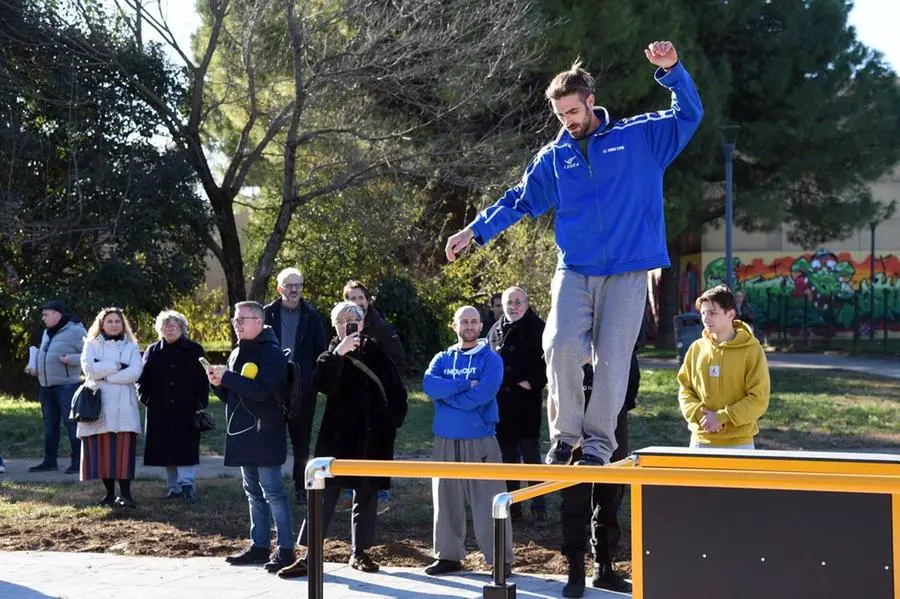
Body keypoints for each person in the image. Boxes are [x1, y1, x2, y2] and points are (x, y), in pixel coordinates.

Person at [444, 42, 703, 467]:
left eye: (573, 112)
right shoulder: (555, 157)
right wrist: (475, 230)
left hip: (627, 270)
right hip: (575, 269)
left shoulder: (638, 138)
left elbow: (687, 115)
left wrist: (672, 70)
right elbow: (519, 201)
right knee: (559, 344)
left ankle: (598, 447)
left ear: (590, 102)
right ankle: (565, 438)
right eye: (560, 115)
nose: (568, 122)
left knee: (613, 358)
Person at [278, 301, 408, 578]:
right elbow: (322, 385)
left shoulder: (378, 353)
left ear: (361, 324)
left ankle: (360, 552)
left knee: (367, 495)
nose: (348, 324)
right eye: (341, 320)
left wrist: (391, 422)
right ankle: (310, 555)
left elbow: (397, 391)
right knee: (323, 496)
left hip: (374, 437)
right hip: (337, 438)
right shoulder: (329, 355)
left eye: (354, 320)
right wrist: (338, 354)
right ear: (334, 326)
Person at [421, 306, 513, 577]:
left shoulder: (490, 359)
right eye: (464, 321)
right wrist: (463, 385)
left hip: (480, 439)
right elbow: (429, 385)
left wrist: (447, 397)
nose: (469, 326)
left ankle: (500, 558)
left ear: (481, 326)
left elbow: (484, 394)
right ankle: (448, 556)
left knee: (489, 501)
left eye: (474, 321)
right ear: (454, 325)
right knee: (445, 499)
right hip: (445, 439)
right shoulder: (442, 357)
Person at [210, 301, 294, 573]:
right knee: (252, 492)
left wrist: (229, 378)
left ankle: (286, 549)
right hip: (244, 433)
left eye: (242, 319)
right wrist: (218, 383)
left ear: (259, 322)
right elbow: (232, 396)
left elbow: (261, 391)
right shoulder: (237, 352)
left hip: (266, 431)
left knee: (273, 492)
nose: (237, 324)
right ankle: (259, 545)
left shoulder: (271, 353)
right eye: (235, 319)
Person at [559, 351, 639, 598]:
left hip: (613, 422)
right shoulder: (570, 341)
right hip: (575, 423)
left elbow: (631, 384)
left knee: (610, 496)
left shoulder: (617, 339)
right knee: (574, 498)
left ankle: (603, 566)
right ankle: (575, 569)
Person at [342, 279, 406, 515]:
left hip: (381, 401)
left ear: (368, 301)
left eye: (360, 298)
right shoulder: (342, 329)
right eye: (351, 298)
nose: (357, 302)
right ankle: (350, 492)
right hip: (352, 402)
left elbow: (398, 364)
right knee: (353, 445)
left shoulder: (383, 329)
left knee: (381, 448)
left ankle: (382, 495)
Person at [678, 285, 770, 449]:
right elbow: (685, 390)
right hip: (700, 442)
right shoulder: (696, 349)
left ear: (731, 315)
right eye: (703, 313)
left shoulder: (752, 350)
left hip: (739, 444)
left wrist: (723, 417)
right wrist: (701, 415)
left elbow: (759, 398)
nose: (706, 318)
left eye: (713, 313)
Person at [263, 267, 327, 503]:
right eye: (289, 285)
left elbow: (321, 352)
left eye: (298, 285)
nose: (294, 290)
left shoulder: (312, 316)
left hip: (303, 388)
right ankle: (271, 488)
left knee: (302, 442)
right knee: (271, 439)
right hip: (272, 386)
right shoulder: (266, 314)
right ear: (279, 288)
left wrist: (313, 381)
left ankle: (301, 487)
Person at [486, 286, 547, 522]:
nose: (513, 307)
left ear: (526, 303)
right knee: (507, 455)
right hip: (501, 403)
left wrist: (532, 383)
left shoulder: (539, 328)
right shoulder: (496, 329)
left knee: (531, 455)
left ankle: (539, 506)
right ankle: (513, 506)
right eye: (508, 302)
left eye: (517, 302)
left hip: (526, 402)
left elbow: (547, 363)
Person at [138, 310, 209, 503]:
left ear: (182, 328)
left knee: (186, 446)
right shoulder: (153, 350)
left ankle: (187, 485)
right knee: (165, 449)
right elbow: (142, 380)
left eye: (174, 325)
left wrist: (201, 403)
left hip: (187, 407)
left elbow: (204, 380)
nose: (169, 329)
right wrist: (147, 399)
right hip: (160, 408)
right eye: (165, 326)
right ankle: (173, 487)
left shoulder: (194, 349)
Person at [78, 307, 143, 508]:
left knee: (123, 452)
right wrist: (116, 365)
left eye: (117, 321)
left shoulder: (131, 347)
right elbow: (88, 369)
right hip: (99, 404)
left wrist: (104, 373)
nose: (114, 324)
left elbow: (135, 373)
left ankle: (126, 494)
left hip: (124, 405)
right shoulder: (91, 344)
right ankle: (108, 493)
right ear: (101, 324)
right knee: (102, 451)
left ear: (123, 324)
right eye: (110, 321)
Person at [27, 300, 86, 474]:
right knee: (49, 425)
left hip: (68, 387)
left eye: (45, 314)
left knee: (72, 425)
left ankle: (78, 463)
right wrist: (36, 367)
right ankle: (50, 461)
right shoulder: (47, 332)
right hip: (46, 387)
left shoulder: (77, 331)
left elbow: (91, 354)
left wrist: (72, 359)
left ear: (56, 315)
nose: (42, 318)